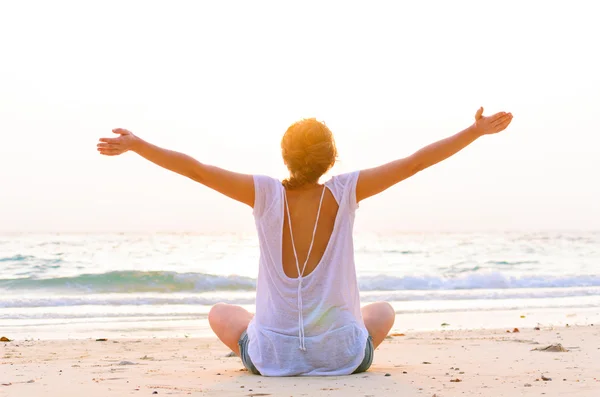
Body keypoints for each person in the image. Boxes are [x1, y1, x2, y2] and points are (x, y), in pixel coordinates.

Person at [97, 107, 513, 376]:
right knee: (382, 312)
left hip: (271, 360)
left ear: (285, 156)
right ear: (331, 159)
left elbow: (198, 171)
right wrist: (473, 131)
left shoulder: (263, 193)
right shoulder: (346, 190)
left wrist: (137, 145)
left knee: (221, 313)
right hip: (343, 359)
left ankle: (281, 345)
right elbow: (415, 162)